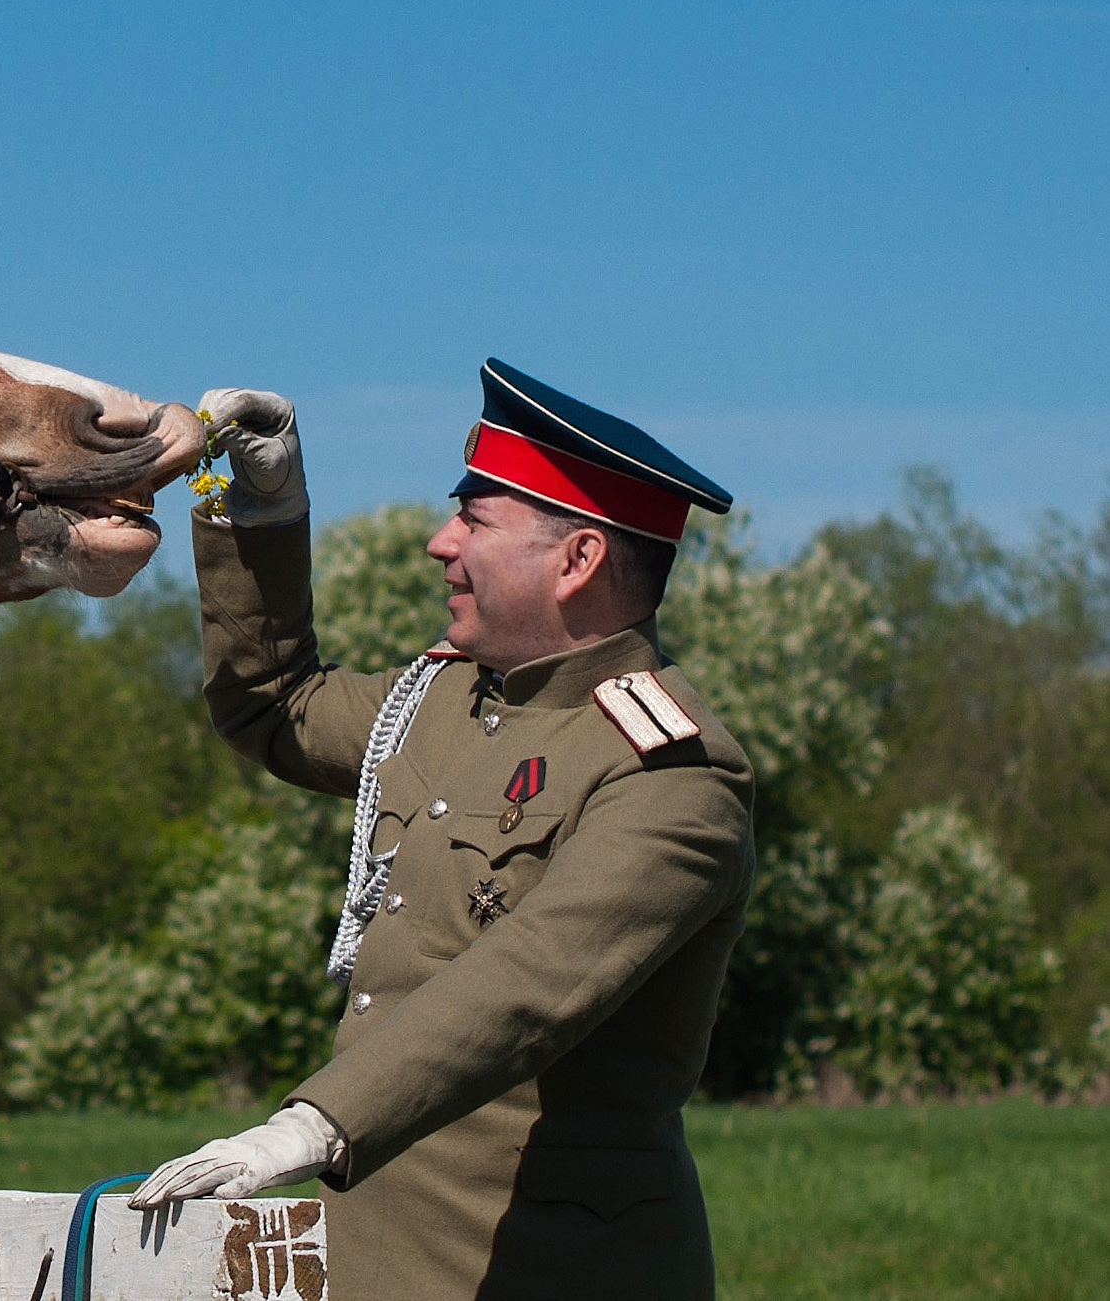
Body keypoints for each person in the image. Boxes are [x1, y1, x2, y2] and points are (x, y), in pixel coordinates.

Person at [130, 360, 755, 1300]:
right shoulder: (440, 703)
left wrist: (313, 1123)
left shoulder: (674, 774)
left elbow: (529, 980)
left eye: (474, 519)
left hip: (548, 1272)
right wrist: (252, 505)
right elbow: (272, 703)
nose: (439, 542)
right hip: (369, 1258)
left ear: (576, 560)